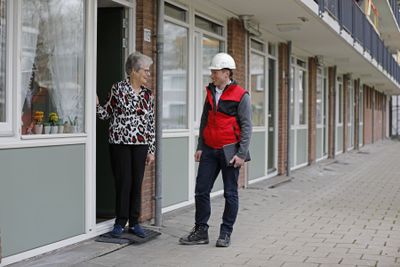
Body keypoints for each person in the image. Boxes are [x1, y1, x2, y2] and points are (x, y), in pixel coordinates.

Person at [179, 52, 252, 247]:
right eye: (212, 71)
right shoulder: (210, 92)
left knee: (230, 193)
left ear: (227, 73)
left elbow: (247, 126)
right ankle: (201, 231)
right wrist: (200, 146)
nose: (212, 74)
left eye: (215, 71)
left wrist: (241, 154)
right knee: (201, 190)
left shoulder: (241, 95)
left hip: (230, 151)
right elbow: (205, 120)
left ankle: (225, 232)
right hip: (210, 150)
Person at [96, 51, 155, 238]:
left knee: (136, 183)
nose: (148, 74)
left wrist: (151, 150)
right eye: (146, 70)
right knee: (124, 183)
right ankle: (120, 222)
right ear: (134, 71)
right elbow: (105, 114)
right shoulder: (118, 89)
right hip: (120, 143)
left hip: (141, 144)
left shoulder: (148, 95)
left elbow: (150, 123)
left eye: (149, 71)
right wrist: (96, 104)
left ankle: (135, 222)